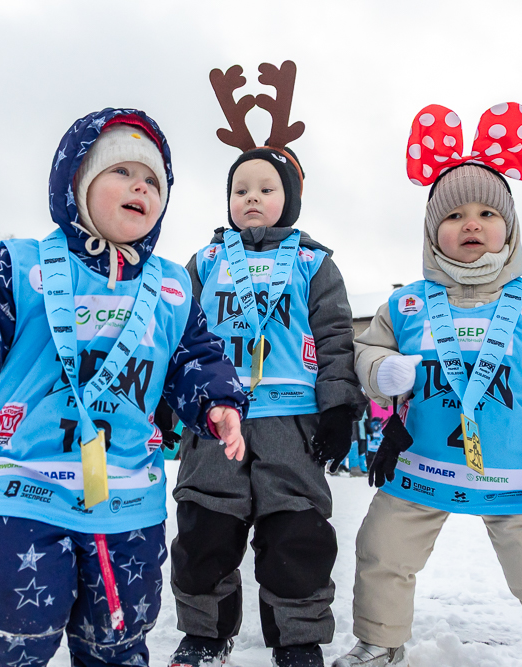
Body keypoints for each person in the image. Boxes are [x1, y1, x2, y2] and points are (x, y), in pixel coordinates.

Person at [0, 109, 249, 667]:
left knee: (117, 639)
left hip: (124, 498)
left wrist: (218, 403)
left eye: (153, 182)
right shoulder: (21, 265)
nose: (140, 187)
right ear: (75, 184)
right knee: (9, 629)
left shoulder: (172, 287)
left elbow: (198, 354)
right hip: (23, 488)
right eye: (122, 171)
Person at [336, 104, 522, 667]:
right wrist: (380, 370)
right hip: (422, 467)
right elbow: (366, 347)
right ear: (430, 229)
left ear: (509, 228)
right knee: (381, 552)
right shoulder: (407, 303)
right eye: (454, 214)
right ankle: (379, 641)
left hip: (515, 474)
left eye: (488, 211)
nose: (471, 223)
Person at [169, 62, 365, 667]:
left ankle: (299, 640)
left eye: (265, 189)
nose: (251, 198)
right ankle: (206, 632)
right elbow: (175, 334)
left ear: (290, 199)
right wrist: (165, 397)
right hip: (214, 421)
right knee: (204, 528)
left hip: (292, 422)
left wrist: (339, 404)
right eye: (240, 190)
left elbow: (335, 337)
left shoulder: (313, 263)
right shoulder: (202, 260)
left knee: (296, 533)